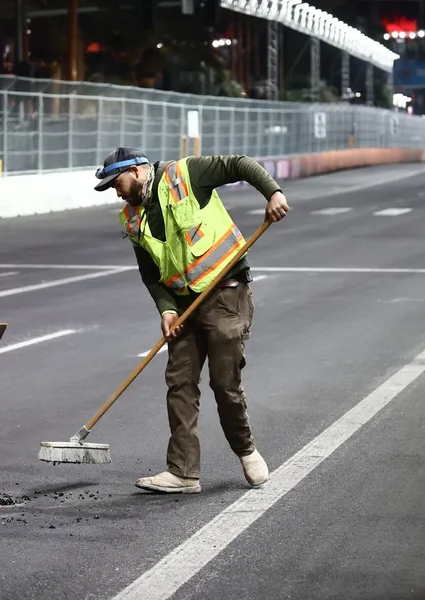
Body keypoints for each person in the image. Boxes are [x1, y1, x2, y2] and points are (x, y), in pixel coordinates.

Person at [94, 147, 289, 494]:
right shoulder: (132, 218)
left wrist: (272, 192)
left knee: (223, 382)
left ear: (138, 171)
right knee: (180, 382)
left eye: (117, 182)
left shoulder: (186, 174)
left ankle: (246, 451)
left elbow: (239, 164)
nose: (116, 190)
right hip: (185, 305)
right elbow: (150, 274)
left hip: (225, 293)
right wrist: (167, 310)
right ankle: (183, 471)